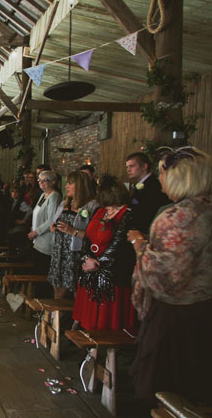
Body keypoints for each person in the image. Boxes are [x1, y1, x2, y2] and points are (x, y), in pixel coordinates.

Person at [128, 147, 212, 405]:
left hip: (177, 317)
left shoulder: (179, 217)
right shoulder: (206, 208)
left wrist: (139, 245)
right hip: (204, 309)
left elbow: (165, 275)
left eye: (163, 172)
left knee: (168, 391)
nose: (160, 178)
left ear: (180, 177)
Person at [72, 174, 136, 332]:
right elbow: (87, 236)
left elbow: (118, 245)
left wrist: (98, 265)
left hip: (112, 277)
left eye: (112, 206)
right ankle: (91, 350)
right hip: (91, 273)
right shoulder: (100, 211)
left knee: (109, 325)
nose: (109, 210)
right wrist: (86, 258)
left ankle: (109, 354)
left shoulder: (128, 215)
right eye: (107, 207)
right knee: (91, 321)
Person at [48, 171, 98, 299]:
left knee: (76, 291)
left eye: (70, 183)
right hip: (59, 252)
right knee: (57, 288)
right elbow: (54, 222)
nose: (66, 186)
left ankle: (75, 318)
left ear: (80, 185)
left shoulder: (92, 206)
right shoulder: (65, 203)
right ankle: (55, 316)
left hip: (75, 255)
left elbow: (94, 236)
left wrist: (72, 231)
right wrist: (54, 227)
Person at [126, 152, 170, 234]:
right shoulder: (141, 184)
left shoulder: (153, 186)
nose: (128, 170)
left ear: (144, 166)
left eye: (131, 166)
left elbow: (148, 213)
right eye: (127, 167)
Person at [28, 170, 61, 274]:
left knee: (42, 271)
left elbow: (51, 220)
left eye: (45, 180)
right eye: (39, 180)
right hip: (37, 240)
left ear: (53, 182)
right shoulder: (43, 195)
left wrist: (35, 232)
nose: (41, 183)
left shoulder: (54, 196)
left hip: (46, 241)